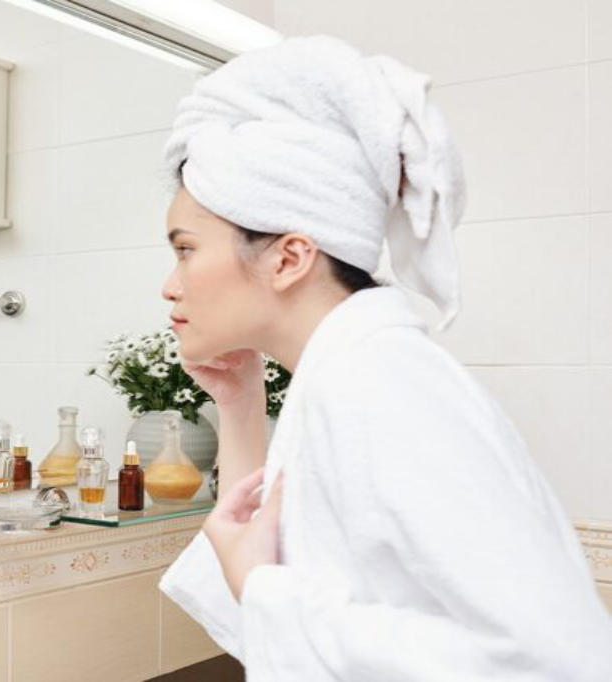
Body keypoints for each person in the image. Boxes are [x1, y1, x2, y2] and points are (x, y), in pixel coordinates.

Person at [158, 36, 612, 680]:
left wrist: (268, 590)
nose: (170, 285)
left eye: (184, 250)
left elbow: (557, 658)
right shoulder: (346, 374)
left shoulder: (380, 383)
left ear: (289, 258)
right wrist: (239, 405)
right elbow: (258, 581)